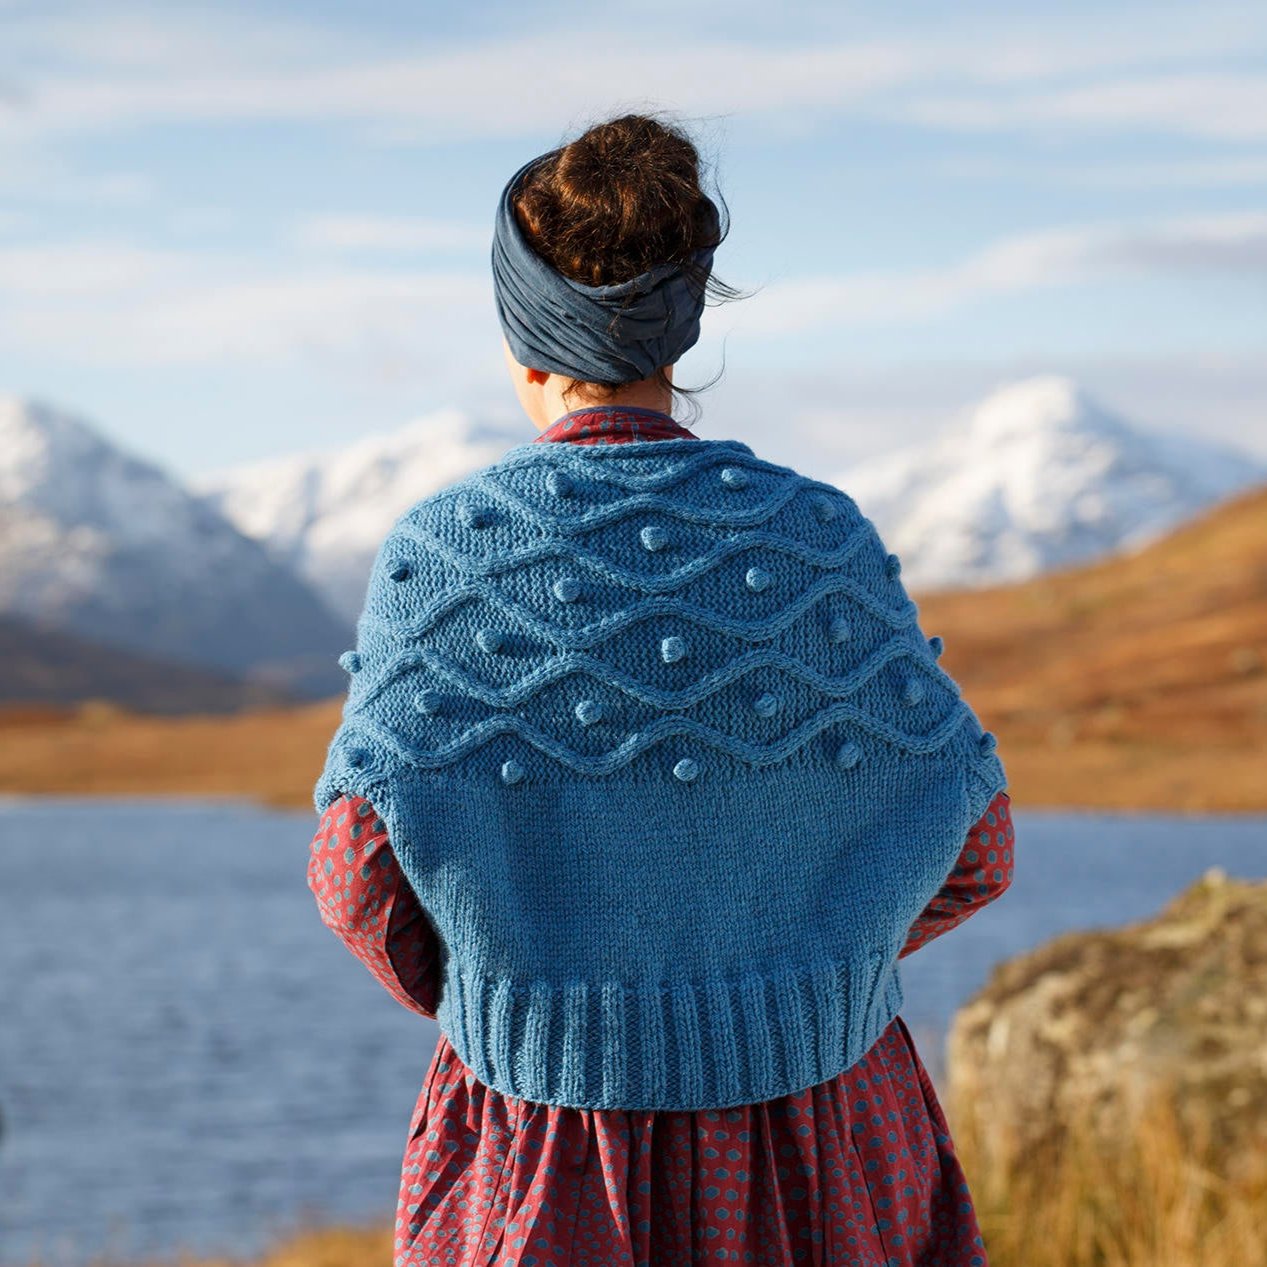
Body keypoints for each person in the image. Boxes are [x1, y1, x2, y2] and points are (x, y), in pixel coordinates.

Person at [307, 111, 1014, 1267]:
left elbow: (356, 877)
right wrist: (809, 969)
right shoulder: (820, 539)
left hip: (549, 1148)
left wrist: (518, 991)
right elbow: (976, 845)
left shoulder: (446, 554)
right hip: (831, 1133)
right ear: (682, 330)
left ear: (518, 332)